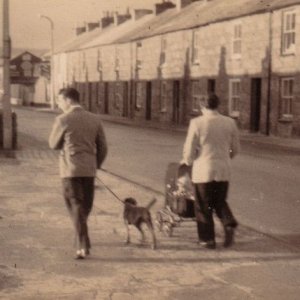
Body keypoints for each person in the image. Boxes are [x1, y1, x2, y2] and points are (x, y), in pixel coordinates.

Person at [49, 87, 107, 259]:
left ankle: (83, 245)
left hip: (70, 171)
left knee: (76, 206)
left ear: (68, 100)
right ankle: (82, 240)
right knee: (84, 207)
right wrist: (95, 164)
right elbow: (103, 147)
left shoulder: (62, 120)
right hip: (89, 170)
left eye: (60, 100)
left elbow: (53, 144)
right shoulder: (95, 119)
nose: (59, 104)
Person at [181, 94, 239, 249]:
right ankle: (229, 224)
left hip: (203, 170)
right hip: (223, 169)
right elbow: (236, 149)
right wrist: (225, 157)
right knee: (219, 201)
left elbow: (189, 149)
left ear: (202, 106)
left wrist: (187, 161)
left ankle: (208, 240)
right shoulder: (230, 122)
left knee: (202, 205)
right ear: (218, 105)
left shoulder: (197, 122)